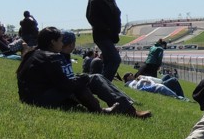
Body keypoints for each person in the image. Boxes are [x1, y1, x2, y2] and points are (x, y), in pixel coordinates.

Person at [16, 26, 148, 118]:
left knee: (90, 78)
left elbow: (56, 81)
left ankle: (125, 108)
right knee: (91, 79)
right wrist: (82, 79)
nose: (62, 44)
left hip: (30, 98)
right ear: (52, 42)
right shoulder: (51, 57)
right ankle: (121, 110)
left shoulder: (33, 54)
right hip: (42, 99)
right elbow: (66, 85)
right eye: (60, 41)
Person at [85, 0, 122, 81]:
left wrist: (116, 30)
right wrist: (106, 28)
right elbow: (91, 17)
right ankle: (104, 83)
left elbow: (117, 15)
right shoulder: (94, 0)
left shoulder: (112, 0)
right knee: (115, 59)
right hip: (101, 35)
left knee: (108, 61)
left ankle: (101, 83)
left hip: (111, 36)